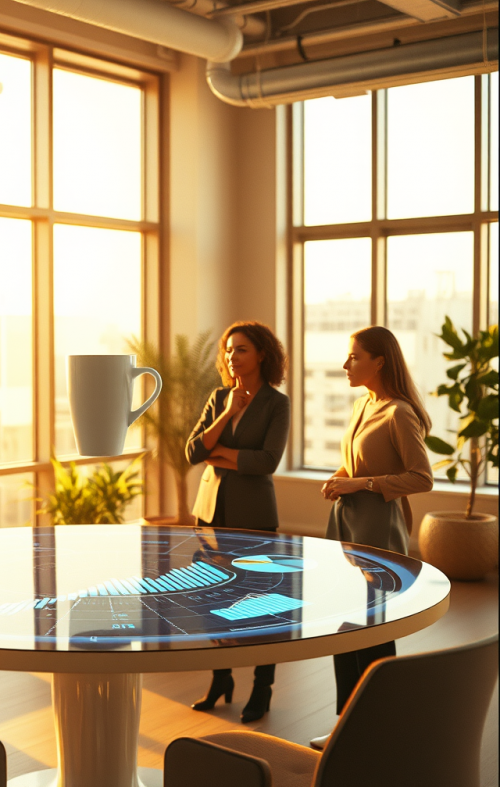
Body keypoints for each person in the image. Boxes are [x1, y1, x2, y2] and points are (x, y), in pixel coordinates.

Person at [310, 325, 433, 750]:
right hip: (346, 530)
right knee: (343, 629)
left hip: (376, 536)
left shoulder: (399, 412)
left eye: (354, 357)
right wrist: (342, 477)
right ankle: (346, 726)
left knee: (373, 633)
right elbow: (358, 463)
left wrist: (359, 485)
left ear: (379, 361)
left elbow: (421, 478)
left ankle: (380, 729)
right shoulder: (365, 404)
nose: (345, 365)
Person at [185, 320, 290, 722]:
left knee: (262, 606)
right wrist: (227, 413)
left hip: (254, 520)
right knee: (214, 602)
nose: (232, 356)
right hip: (210, 515)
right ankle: (221, 679)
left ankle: (262, 687)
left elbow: (267, 461)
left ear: (261, 353)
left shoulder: (276, 403)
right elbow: (194, 452)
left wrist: (222, 454)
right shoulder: (218, 398)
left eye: (241, 349)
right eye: (229, 350)